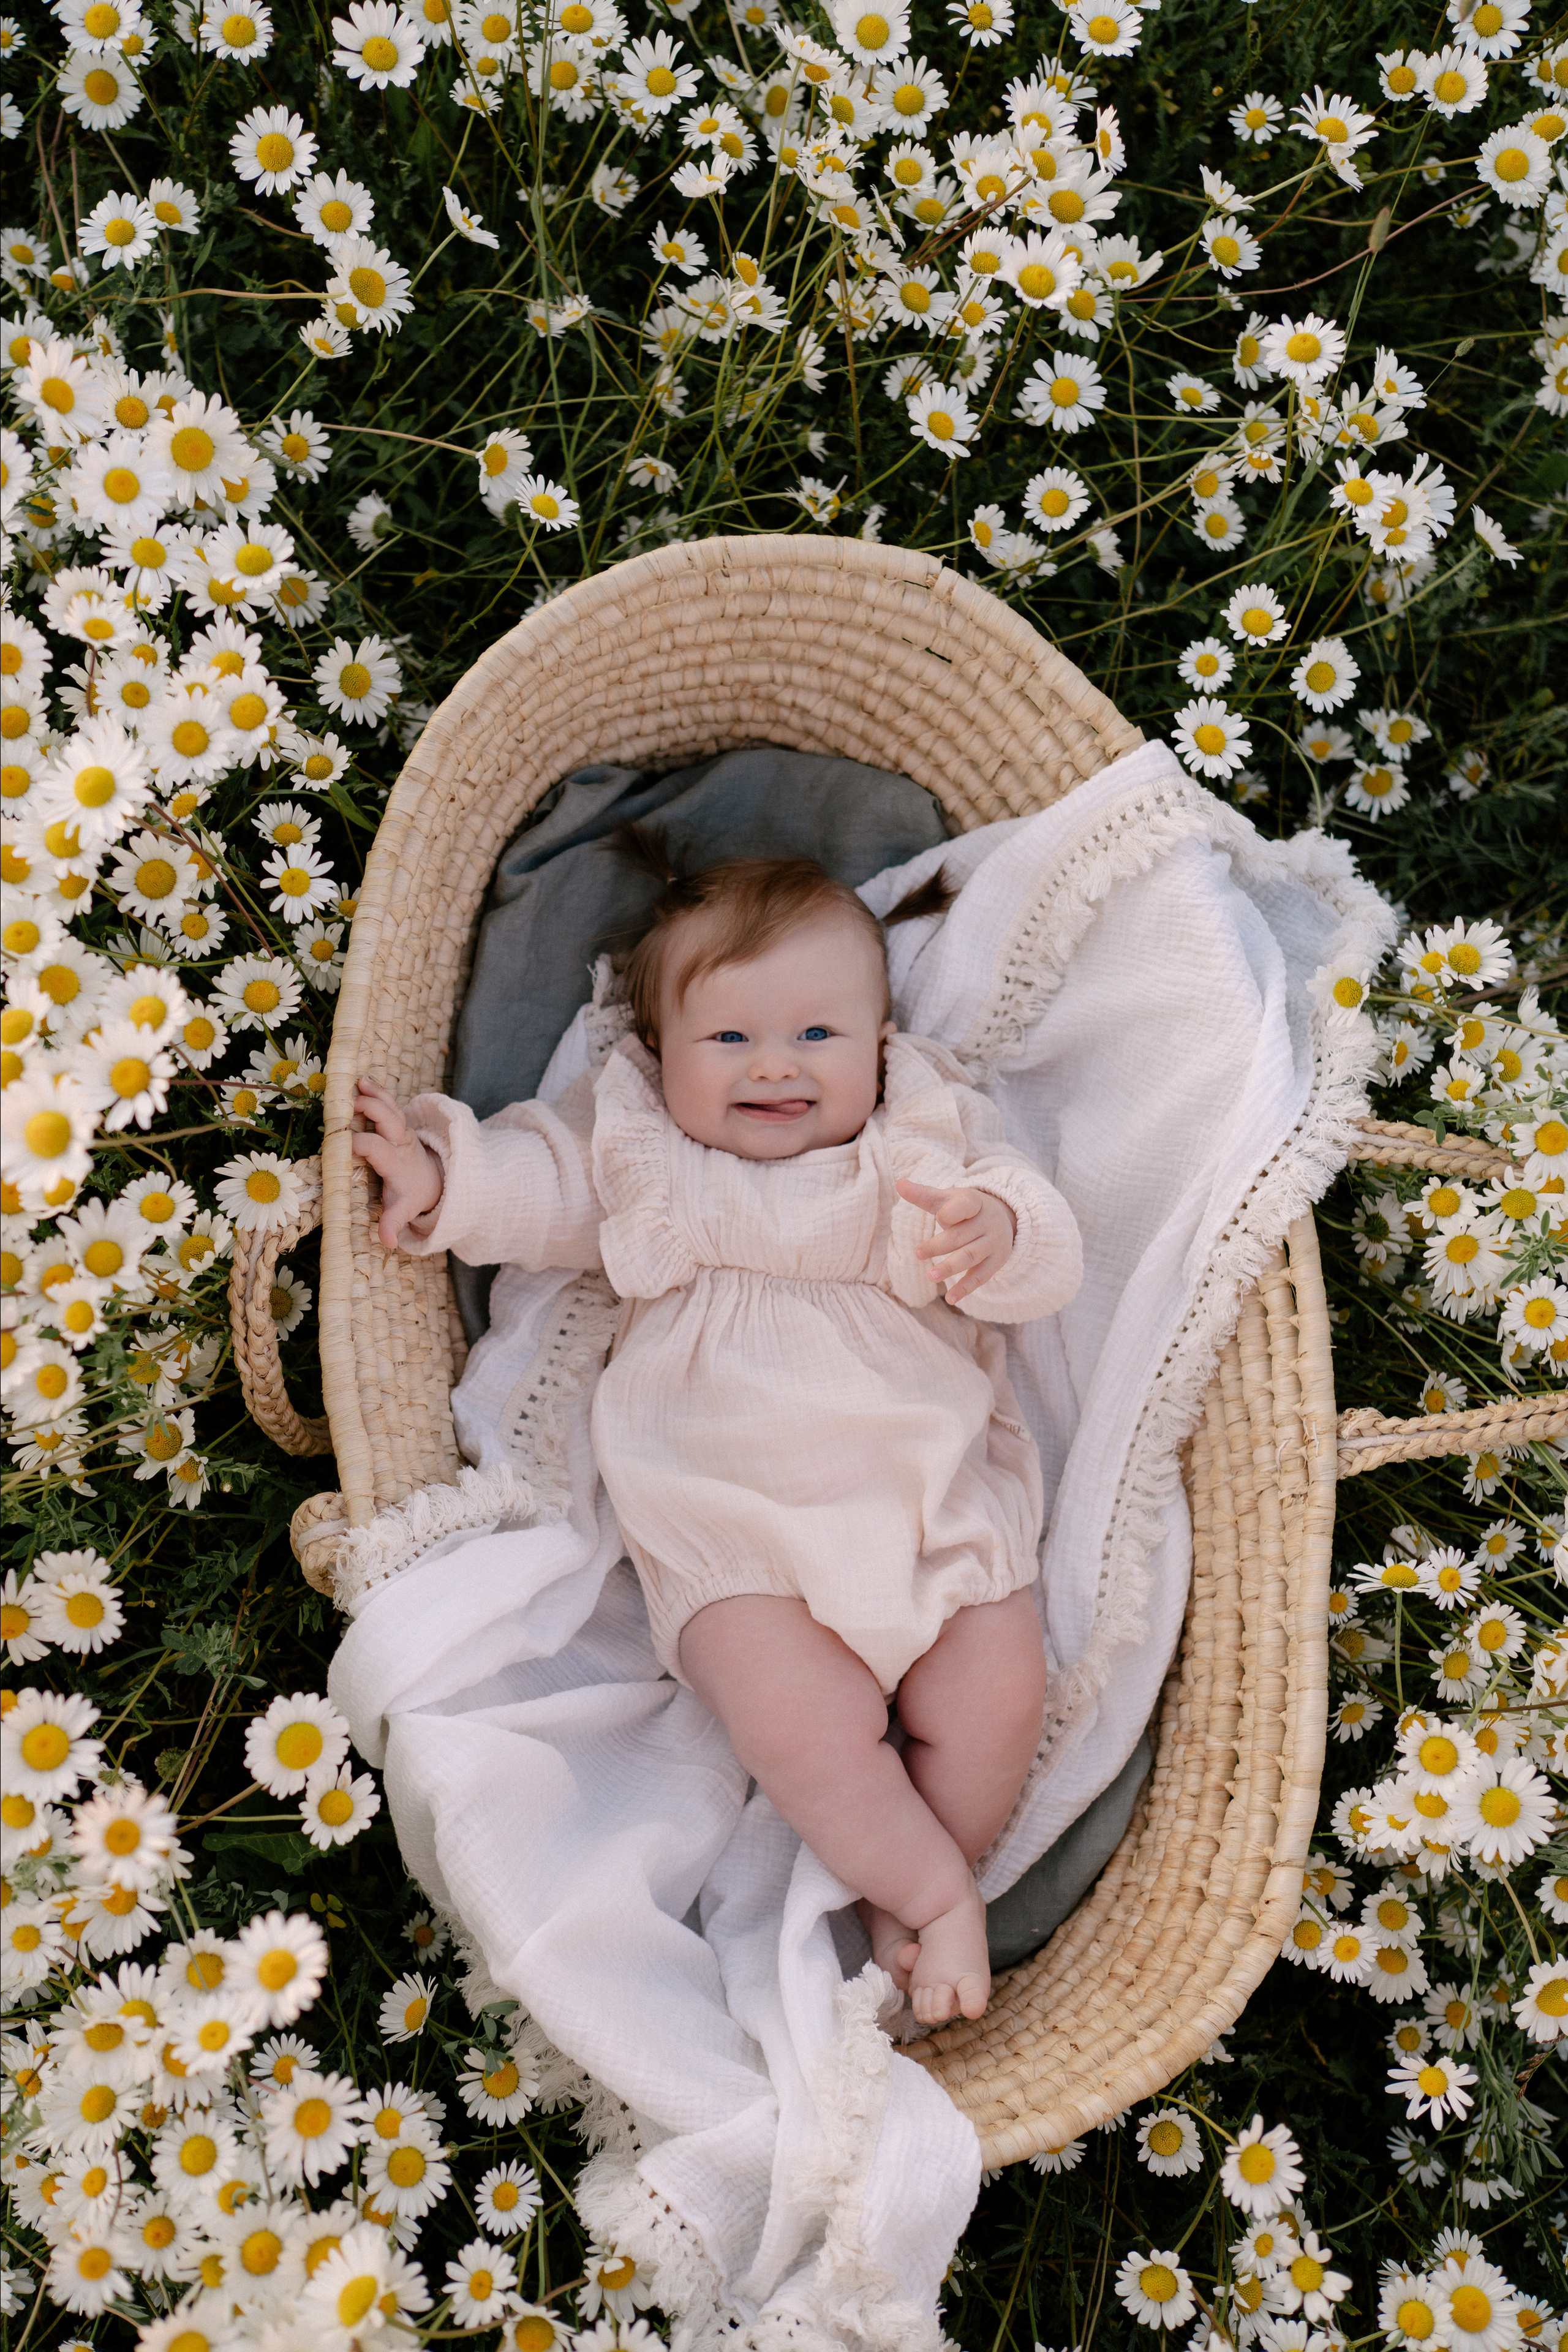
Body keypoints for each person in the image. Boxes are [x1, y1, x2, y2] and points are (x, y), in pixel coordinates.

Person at [353, 838, 1082, 2024]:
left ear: (882, 1043)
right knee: (795, 1723)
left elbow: (1036, 1236)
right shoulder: (643, 1154)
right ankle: (936, 1893)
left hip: (928, 1502)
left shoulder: (920, 1139)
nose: (774, 1068)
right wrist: (446, 1180)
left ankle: (915, 1876)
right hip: (735, 1540)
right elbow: (546, 1188)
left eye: (816, 1036)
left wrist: (994, 1233)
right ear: (657, 1056)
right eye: (729, 1039)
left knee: (999, 1695)